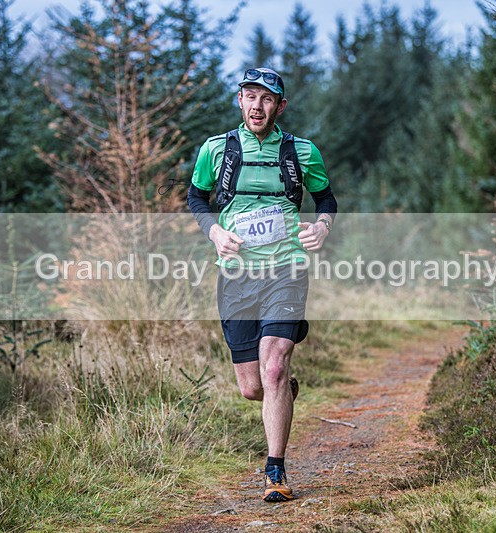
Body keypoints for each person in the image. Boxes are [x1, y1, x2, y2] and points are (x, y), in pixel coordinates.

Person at [187, 67, 337, 502]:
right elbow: (197, 197)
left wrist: (322, 225)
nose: (257, 105)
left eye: (267, 98)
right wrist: (214, 231)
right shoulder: (216, 150)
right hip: (236, 276)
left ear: (280, 106)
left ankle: (275, 472)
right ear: (239, 101)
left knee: (273, 365)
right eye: (250, 96)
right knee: (254, 386)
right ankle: (283, 392)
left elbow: (325, 197)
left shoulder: (302, 152)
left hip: (286, 269)